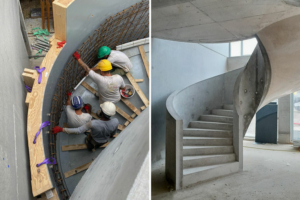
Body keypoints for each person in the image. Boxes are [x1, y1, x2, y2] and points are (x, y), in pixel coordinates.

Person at [52, 101, 119, 151]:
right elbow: (113, 134)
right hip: (104, 140)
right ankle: (94, 147)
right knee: (97, 145)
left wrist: (61, 129)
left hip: (94, 139)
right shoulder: (116, 121)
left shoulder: (93, 123)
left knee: (90, 143)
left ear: (101, 111)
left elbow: (78, 130)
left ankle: (90, 147)